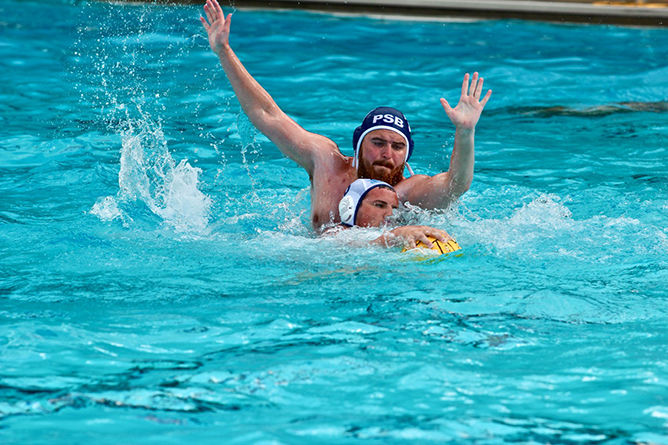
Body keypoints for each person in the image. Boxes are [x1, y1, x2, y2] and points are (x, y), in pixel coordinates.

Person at [200, 0, 491, 231]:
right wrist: (223, 51)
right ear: (359, 144)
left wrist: (465, 132)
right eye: (378, 142)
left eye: (398, 146)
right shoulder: (327, 165)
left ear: (406, 154)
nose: (387, 153)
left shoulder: (409, 194)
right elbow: (267, 115)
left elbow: (457, 184)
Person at [332, 178, 454, 249]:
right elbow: (348, 246)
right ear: (350, 207)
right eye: (379, 205)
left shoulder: (386, 233)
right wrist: (393, 237)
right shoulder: (335, 234)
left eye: (394, 208)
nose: (390, 214)